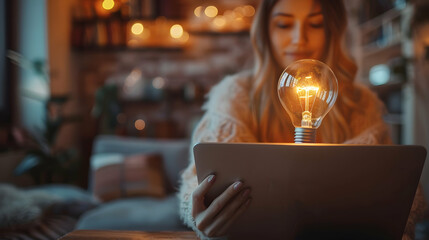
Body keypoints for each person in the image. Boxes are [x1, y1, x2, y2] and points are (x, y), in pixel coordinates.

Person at [179, 0, 426, 239]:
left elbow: (401, 194)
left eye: (316, 24)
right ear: (266, 31)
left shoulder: (361, 103)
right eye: (284, 25)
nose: (300, 38)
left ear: (332, 29)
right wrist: (201, 210)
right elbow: (197, 181)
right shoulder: (234, 96)